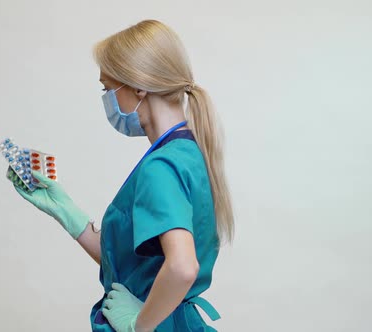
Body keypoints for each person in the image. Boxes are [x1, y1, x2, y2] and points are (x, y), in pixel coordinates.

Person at [14, 19, 234, 332]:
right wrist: (62, 207)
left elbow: (182, 267)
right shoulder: (188, 154)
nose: (107, 99)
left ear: (139, 86)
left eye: (108, 88)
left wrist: (138, 326)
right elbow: (135, 267)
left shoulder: (161, 167)